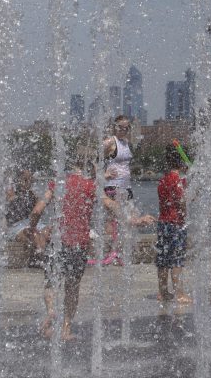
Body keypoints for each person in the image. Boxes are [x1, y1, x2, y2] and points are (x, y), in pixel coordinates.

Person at [39, 147, 155, 341]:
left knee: (51, 281)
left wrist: (34, 225)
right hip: (79, 245)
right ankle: (66, 329)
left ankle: (51, 310)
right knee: (72, 288)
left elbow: (38, 208)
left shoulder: (57, 183)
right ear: (89, 166)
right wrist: (134, 220)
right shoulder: (90, 186)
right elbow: (112, 206)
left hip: (58, 242)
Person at [97, 115, 135, 265]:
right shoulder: (109, 142)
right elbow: (90, 157)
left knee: (126, 219)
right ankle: (111, 254)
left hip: (126, 187)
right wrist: (103, 174)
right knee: (115, 219)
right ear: (115, 126)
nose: (123, 130)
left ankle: (118, 253)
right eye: (120, 127)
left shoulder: (126, 142)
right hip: (113, 186)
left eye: (126, 128)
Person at [155, 145, 191, 304]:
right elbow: (182, 201)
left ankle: (163, 292)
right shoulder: (177, 180)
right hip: (176, 223)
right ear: (182, 163)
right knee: (177, 259)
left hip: (162, 222)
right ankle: (180, 293)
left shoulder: (163, 179)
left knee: (163, 259)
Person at [4, 169, 53, 261]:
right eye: (25, 180)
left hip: (31, 223)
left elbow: (38, 209)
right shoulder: (11, 193)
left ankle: (42, 254)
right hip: (16, 227)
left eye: (30, 179)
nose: (29, 182)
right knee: (32, 233)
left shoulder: (31, 194)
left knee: (48, 230)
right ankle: (41, 256)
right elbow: (9, 198)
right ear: (18, 180)